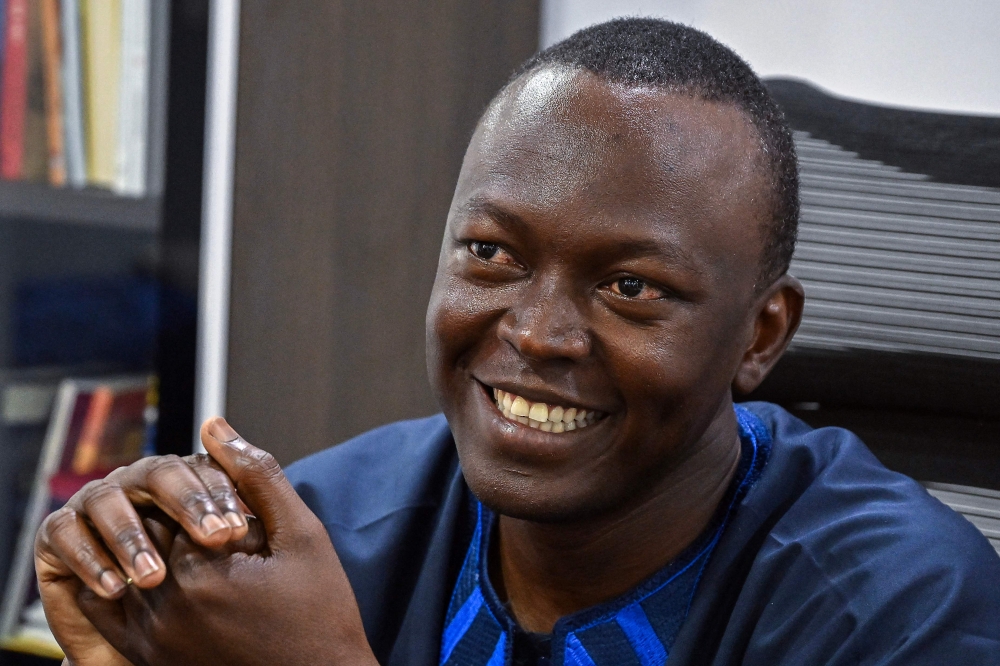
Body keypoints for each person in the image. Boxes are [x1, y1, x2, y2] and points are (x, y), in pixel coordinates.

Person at [34, 18, 1000, 666]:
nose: (536, 333)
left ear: (760, 334)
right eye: (492, 254)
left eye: (631, 287)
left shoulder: (898, 614)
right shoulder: (329, 532)